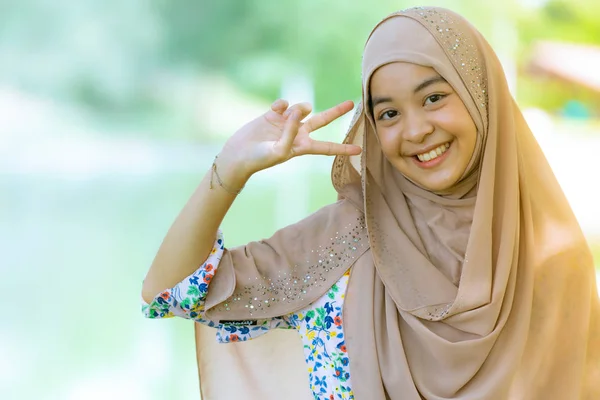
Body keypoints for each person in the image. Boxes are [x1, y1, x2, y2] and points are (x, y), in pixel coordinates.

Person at [141, 6, 600, 400]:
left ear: (483, 97)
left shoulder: (550, 256)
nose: (416, 129)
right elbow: (172, 292)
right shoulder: (345, 243)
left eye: (435, 97)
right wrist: (230, 169)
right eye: (389, 114)